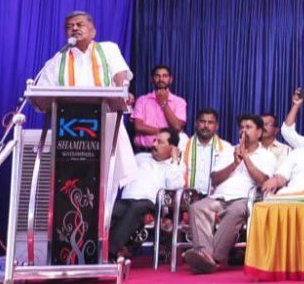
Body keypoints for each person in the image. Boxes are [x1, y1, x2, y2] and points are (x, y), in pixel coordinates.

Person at [35, 11, 137, 186]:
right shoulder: (58, 59)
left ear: (93, 32)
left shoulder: (107, 49)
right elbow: (43, 92)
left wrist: (123, 90)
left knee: (105, 182)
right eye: (69, 26)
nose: (74, 28)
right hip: (70, 130)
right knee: (72, 184)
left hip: (106, 123)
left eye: (79, 24)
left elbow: (120, 75)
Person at [184, 115, 276, 274]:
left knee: (236, 211)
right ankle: (205, 254)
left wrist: (246, 158)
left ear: (259, 132)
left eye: (249, 127)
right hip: (219, 197)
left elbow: (262, 181)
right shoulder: (227, 152)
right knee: (197, 207)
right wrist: (234, 163)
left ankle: (212, 257)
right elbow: (215, 180)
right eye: (242, 127)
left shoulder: (267, 155)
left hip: (244, 199)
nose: (244, 130)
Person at [108, 128, 184, 260]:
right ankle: (99, 250)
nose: (154, 144)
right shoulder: (140, 158)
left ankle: (109, 252)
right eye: (154, 140)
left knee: (137, 208)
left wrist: (174, 160)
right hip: (128, 200)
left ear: (172, 147)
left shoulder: (175, 166)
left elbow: (176, 186)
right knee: (110, 211)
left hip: (152, 204)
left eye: (160, 142)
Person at [130, 65, 187, 152]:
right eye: (157, 76)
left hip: (168, 153)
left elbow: (177, 127)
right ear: (152, 79)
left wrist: (163, 103)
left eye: (165, 76)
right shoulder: (142, 100)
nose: (161, 79)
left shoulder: (179, 102)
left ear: (170, 79)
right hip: (143, 151)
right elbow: (138, 127)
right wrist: (166, 131)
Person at [179, 108, 232, 197]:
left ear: (216, 126)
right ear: (196, 124)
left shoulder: (226, 148)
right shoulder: (183, 146)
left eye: (210, 122)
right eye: (202, 121)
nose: (206, 126)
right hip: (188, 198)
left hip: (214, 199)